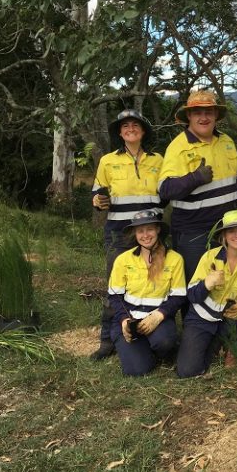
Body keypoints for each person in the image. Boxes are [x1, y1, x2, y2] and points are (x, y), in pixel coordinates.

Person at [90, 109, 164, 360]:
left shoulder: (158, 160)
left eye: (136, 125)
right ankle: (107, 339)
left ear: (143, 131)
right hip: (119, 233)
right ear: (120, 133)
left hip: (152, 234)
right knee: (116, 285)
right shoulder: (108, 161)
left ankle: (152, 334)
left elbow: (167, 195)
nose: (130, 128)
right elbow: (96, 194)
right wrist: (97, 200)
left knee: (154, 281)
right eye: (125, 126)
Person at [158, 90, 237, 283]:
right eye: (197, 113)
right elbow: (165, 189)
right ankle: (192, 315)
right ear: (189, 116)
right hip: (194, 233)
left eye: (208, 112)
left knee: (224, 282)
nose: (203, 117)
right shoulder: (178, 146)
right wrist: (195, 178)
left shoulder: (226, 142)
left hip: (226, 228)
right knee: (196, 284)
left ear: (215, 115)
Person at [176, 210, 237, 378]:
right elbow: (192, 296)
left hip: (230, 317)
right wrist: (207, 284)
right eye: (231, 231)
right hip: (202, 318)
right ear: (223, 235)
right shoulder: (209, 257)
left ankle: (233, 349)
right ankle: (215, 345)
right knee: (188, 371)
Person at [108, 209, 185, 376]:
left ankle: (158, 346)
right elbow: (114, 296)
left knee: (164, 342)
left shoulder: (175, 259)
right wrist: (124, 320)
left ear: (157, 229)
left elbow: (178, 296)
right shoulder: (123, 259)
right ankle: (137, 348)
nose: (145, 235)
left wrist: (159, 315)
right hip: (130, 319)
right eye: (140, 231)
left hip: (159, 319)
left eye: (149, 229)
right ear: (135, 234)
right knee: (137, 370)